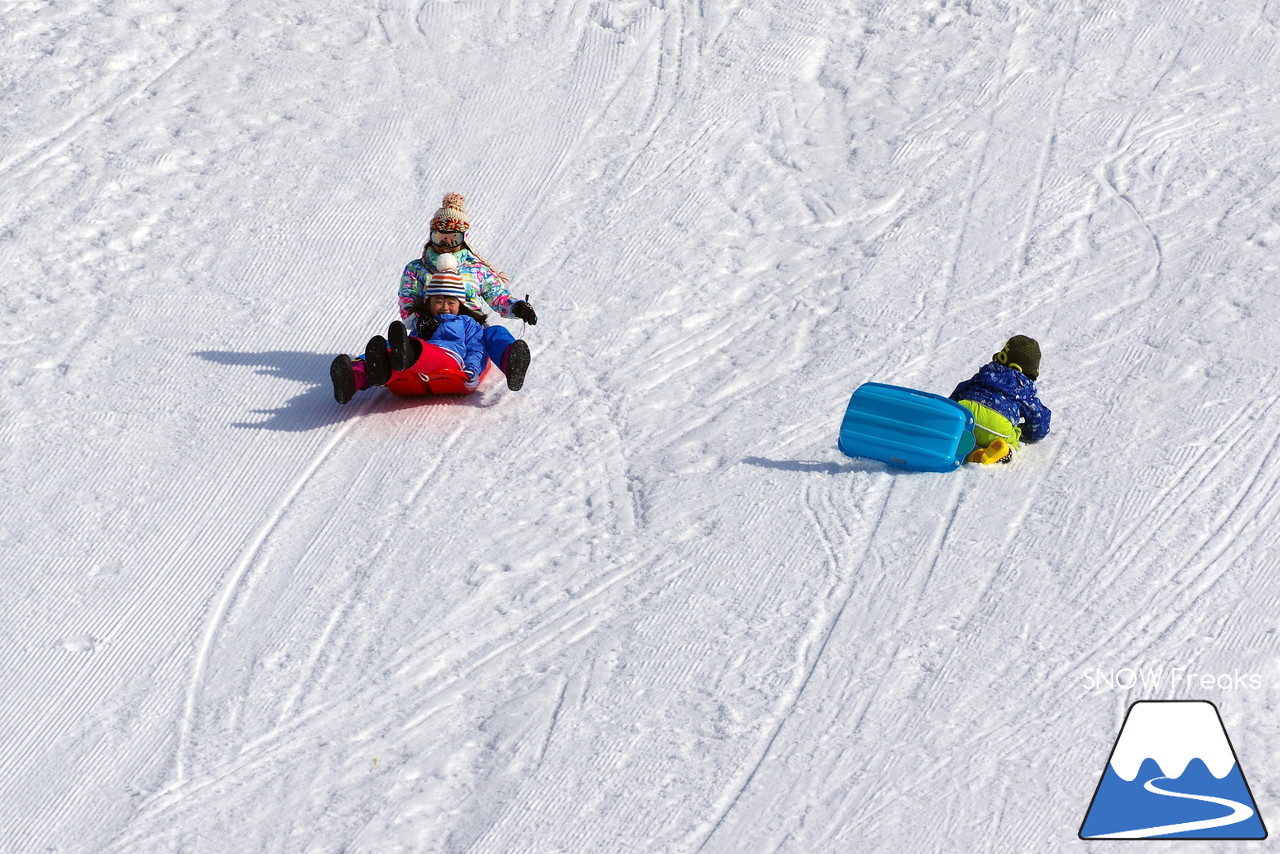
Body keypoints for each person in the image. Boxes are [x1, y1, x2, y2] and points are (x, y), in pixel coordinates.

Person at [399, 193, 535, 388]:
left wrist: (516, 307)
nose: (446, 244)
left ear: (463, 238)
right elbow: (407, 301)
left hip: (472, 330)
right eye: (440, 237)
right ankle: (397, 364)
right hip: (430, 327)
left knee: (495, 333)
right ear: (431, 236)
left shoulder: (476, 268)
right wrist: (419, 320)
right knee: (414, 341)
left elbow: (497, 296)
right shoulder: (416, 269)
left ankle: (511, 361)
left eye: (453, 238)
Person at [949, 335, 1051, 464]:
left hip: (967, 413)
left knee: (958, 427)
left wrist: (950, 411)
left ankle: (948, 436)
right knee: (1014, 436)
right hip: (997, 426)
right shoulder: (1024, 388)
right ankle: (1003, 451)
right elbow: (1039, 419)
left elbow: (963, 387)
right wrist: (1028, 432)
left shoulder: (987, 372)